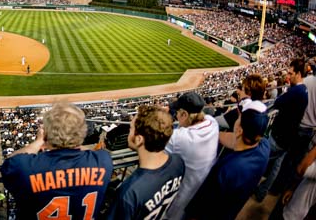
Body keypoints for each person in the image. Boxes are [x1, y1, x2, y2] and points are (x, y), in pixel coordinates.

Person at [1, 103, 113, 220]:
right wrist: (74, 140)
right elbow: (86, 150)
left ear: (46, 134)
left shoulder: (24, 167)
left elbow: (9, 162)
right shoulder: (103, 160)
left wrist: (39, 141)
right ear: (83, 132)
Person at [186, 101, 270, 220]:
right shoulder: (264, 146)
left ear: (240, 130)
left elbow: (198, 210)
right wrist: (213, 132)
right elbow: (233, 139)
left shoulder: (226, 169)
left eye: (239, 118)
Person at [107, 105, 185, 220]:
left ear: (139, 140)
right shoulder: (179, 162)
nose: (129, 133)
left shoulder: (129, 192)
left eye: (131, 129)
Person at [254, 58, 308, 202]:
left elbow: (277, 103)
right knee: (275, 168)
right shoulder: (304, 90)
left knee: (259, 159)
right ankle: (262, 192)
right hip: (289, 137)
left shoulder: (296, 91)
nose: (287, 76)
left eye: (290, 73)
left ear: (298, 74)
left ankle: (250, 186)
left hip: (278, 136)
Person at [164, 92, 219, 220]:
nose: (176, 115)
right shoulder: (212, 123)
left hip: (181, 197)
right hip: (202, 191)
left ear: (184, 114)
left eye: (177, 112)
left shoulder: (179, 138)